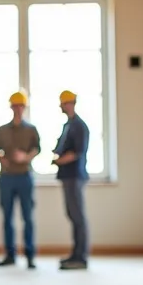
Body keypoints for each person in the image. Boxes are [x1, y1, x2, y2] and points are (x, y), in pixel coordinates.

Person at [0, 91, 41, 269]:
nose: (18, 109)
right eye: (15, 106)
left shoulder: (31, 130)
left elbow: (37, 148)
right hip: (7, 177)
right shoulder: (2, 130)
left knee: (28, 217)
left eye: (21, 106)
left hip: (25, 177)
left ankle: (30, 255)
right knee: (7, 217)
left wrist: (26, 156)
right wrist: (2, 158)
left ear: (24, 107)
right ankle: (9, 255)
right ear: (11, 107)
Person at [51, 90, 90, 270]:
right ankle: (75, 254)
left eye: (63, 103)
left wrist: (59, 160)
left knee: (78, 217)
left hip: (75, 176)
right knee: (72, 216)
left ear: (70, 103)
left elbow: (77, 152)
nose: (61, 106)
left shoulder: (79, 126)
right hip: (67, 176)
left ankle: (81, 258)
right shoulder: (68, 125)